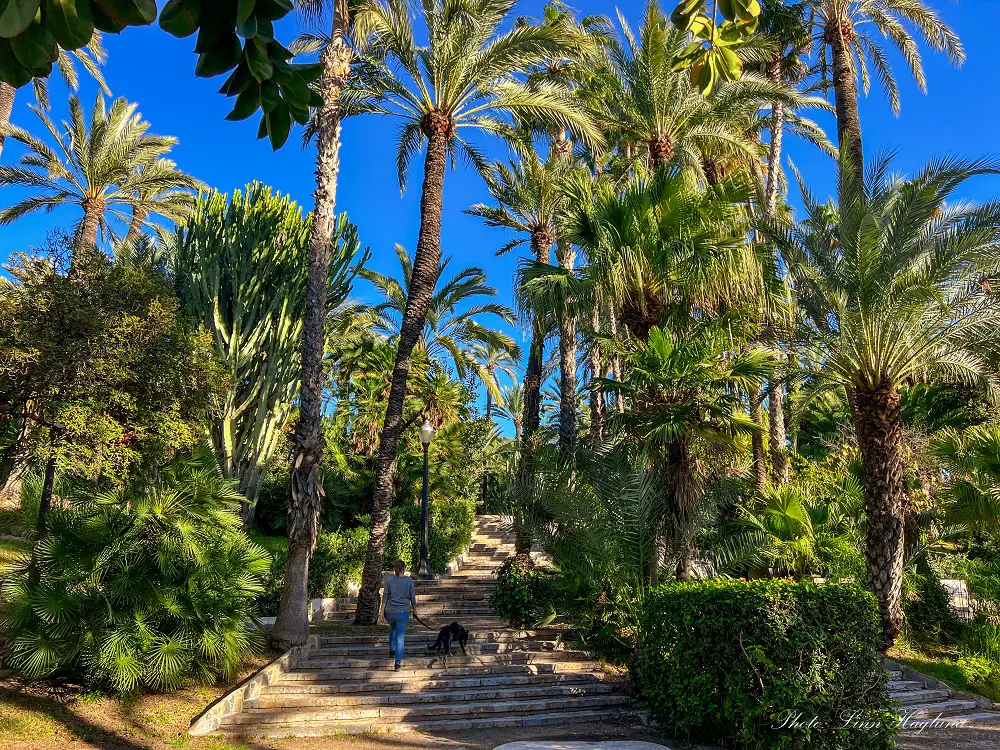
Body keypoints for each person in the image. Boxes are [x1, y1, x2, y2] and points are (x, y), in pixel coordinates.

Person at [381, 559, 421, 671]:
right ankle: (397, 663)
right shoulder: (409, 581)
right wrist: (415, 610)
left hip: (389, 612)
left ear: (394, 569)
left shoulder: (388, 580)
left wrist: (381, 612)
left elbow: (385, 597)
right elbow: (412, 597)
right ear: (404, 569)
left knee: (393, 628)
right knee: (400, 636)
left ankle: (391, 650)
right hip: (402, 612)